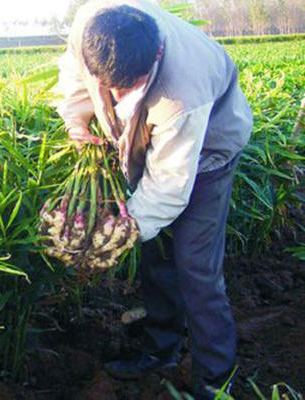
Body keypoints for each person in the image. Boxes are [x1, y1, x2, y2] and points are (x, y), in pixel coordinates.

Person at [53, 1, 253, 398]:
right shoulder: (91, 29)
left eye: (129, 87)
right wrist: (76, 118)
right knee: (157, 255)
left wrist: (120, 234)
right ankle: (161, 351)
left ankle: (216, 380)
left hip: (210, 150)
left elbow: (169, 187)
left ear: (155, 57)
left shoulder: (182, 94)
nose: (117, 95)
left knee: (196, 268)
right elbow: (75, 72)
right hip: (152, 143)